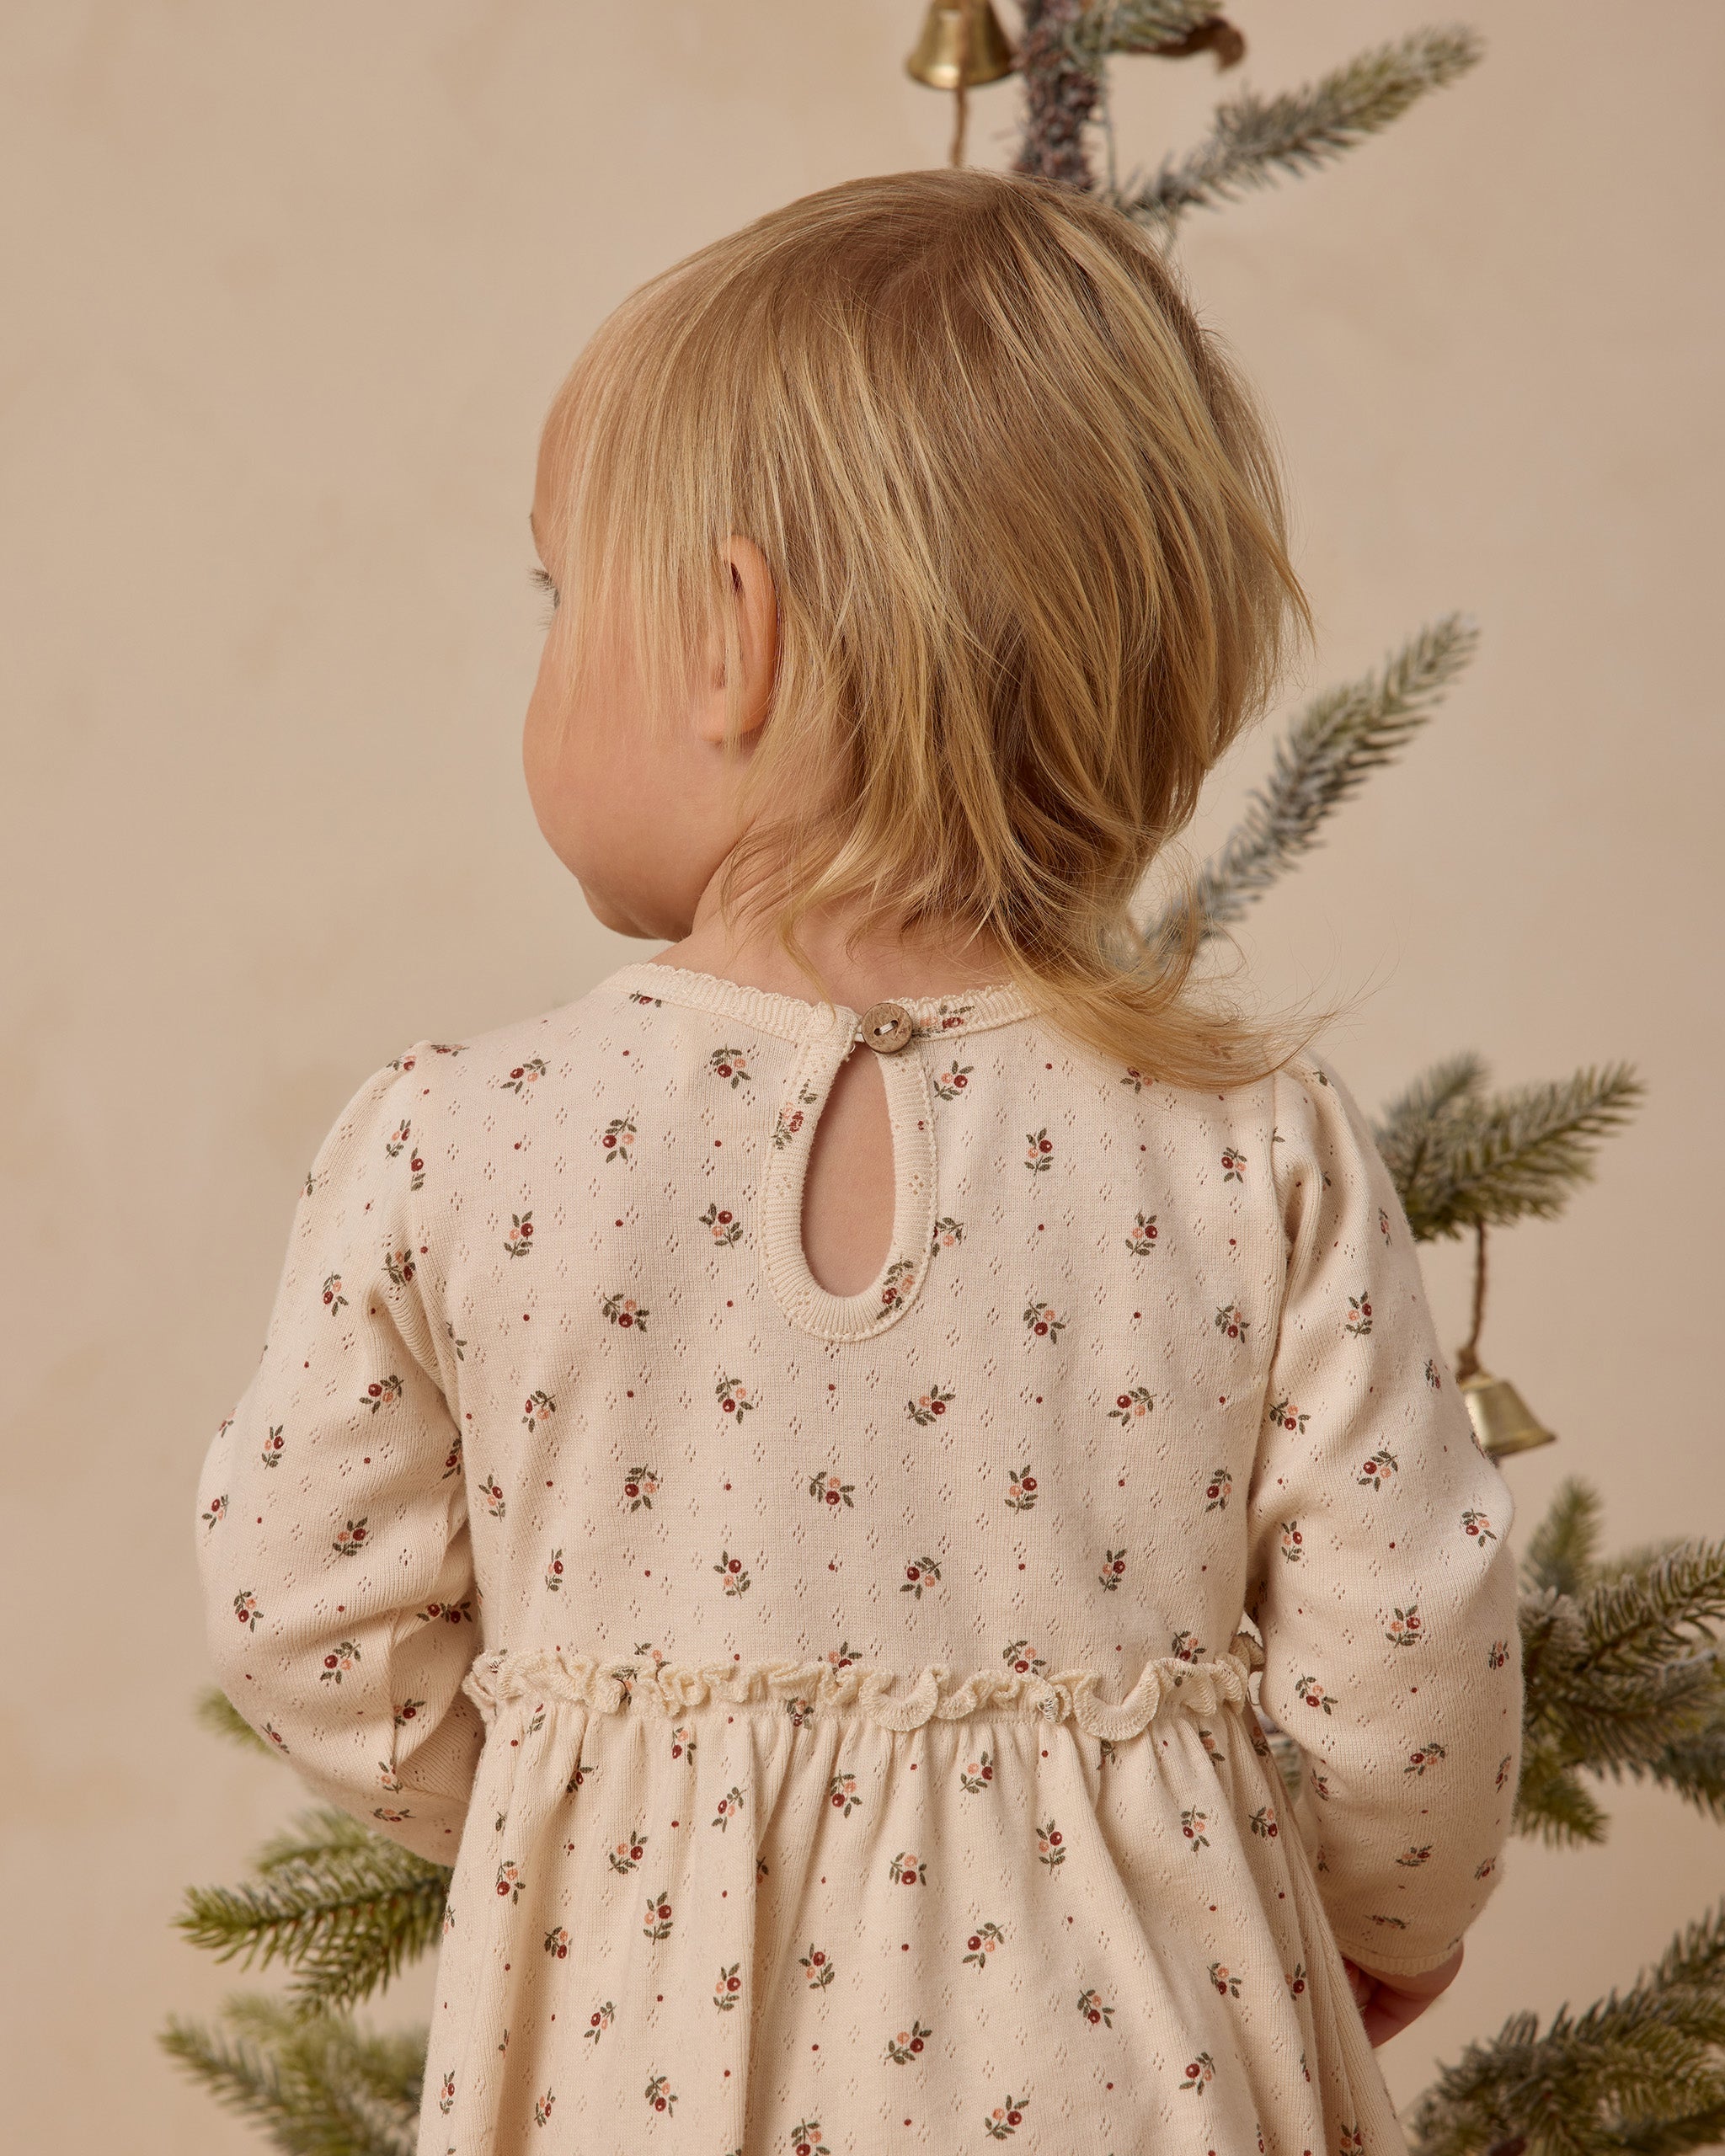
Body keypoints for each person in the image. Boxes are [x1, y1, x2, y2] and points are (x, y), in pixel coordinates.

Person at [194, 168, 1522, 2155]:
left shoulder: (462, 1138)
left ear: (730, 641)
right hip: (1140, 2062)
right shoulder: (1253, 1150)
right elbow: (1411, 1641)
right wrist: (1374, 1920)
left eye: (561, 594)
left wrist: (586, 1826)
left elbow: (304, 1606)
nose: (543, 649)